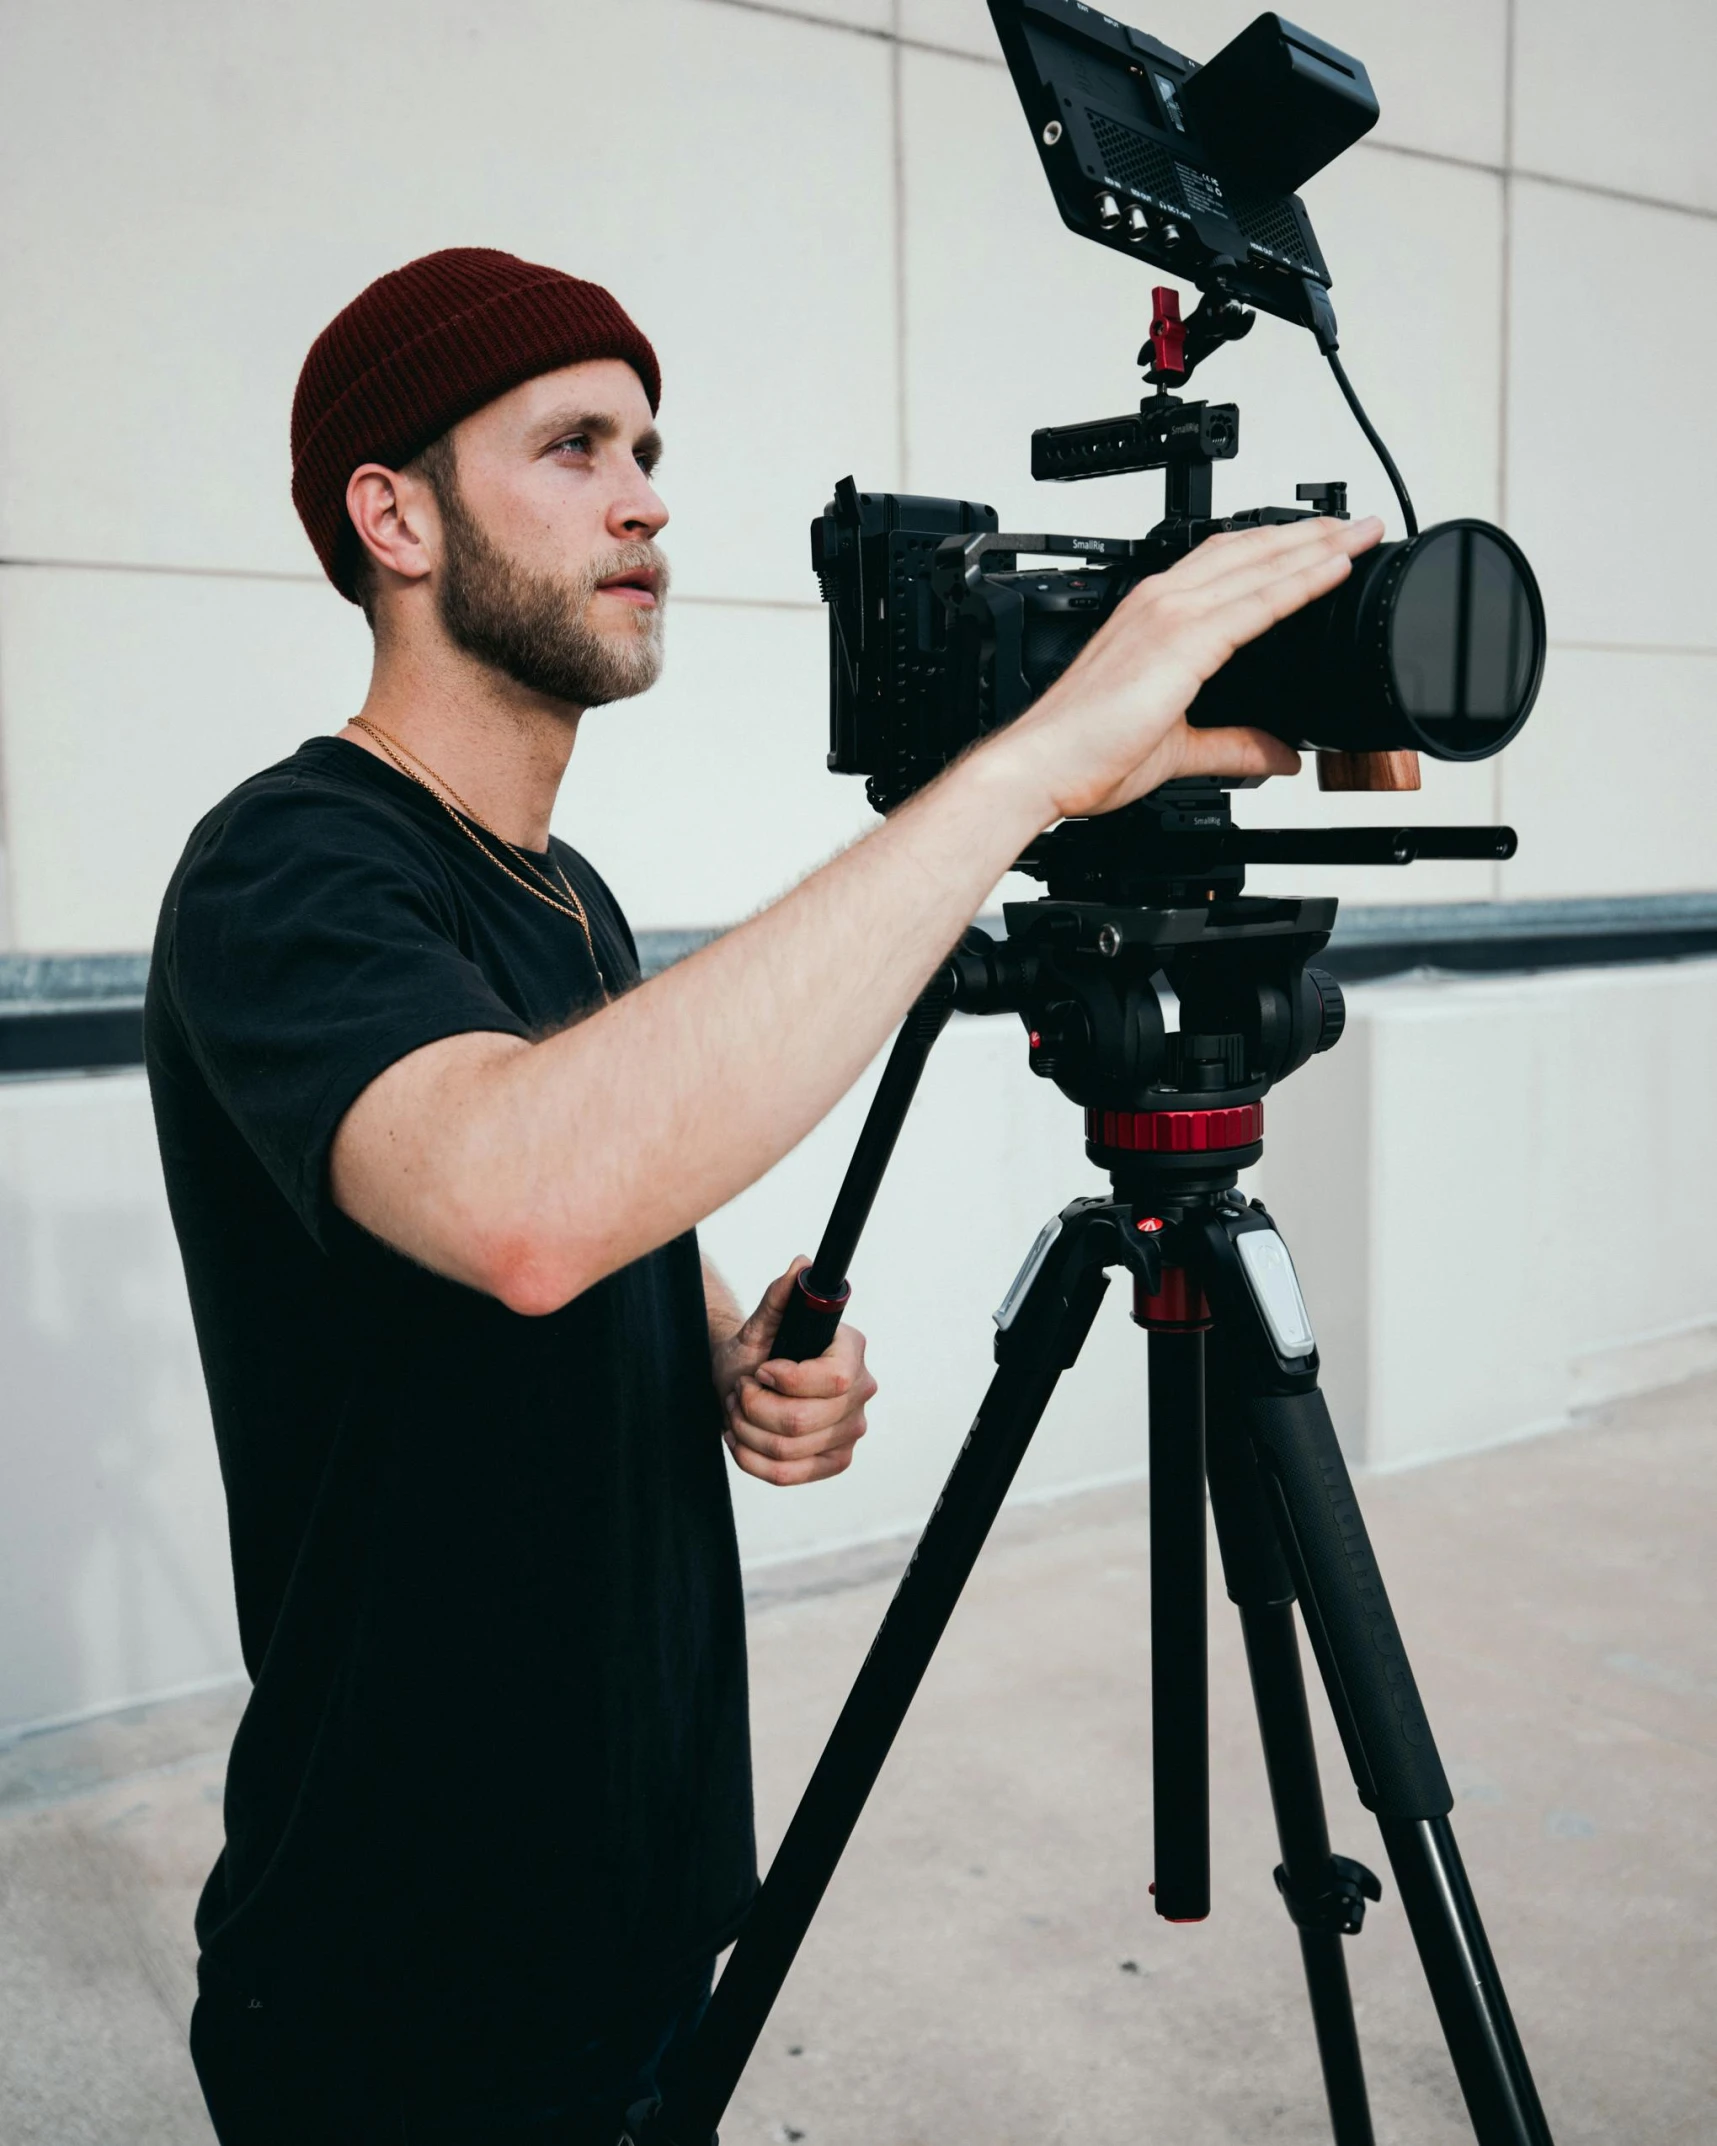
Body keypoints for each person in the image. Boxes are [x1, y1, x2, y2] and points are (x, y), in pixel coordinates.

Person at [144, 246, 1379, 2144]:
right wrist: (1034, 763)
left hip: (638, 1919)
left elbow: (584, 1166)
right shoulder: (288, 867)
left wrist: (724, 1342)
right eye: (571, 446)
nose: (645, 496)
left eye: (648, 445)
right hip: (408, 1975)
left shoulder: (566, 891)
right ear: (389, 514)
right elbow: (518, 1197)